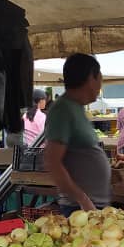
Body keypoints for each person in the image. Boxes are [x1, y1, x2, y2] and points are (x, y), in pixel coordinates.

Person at [42, 53, 110, 213]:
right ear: (90, 78)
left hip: (93, 205)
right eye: (100, 78)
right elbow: (52, 162)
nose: (100, 85)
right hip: (80, 209)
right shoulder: (62, 110)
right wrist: (83, 199)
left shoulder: (76, 107)